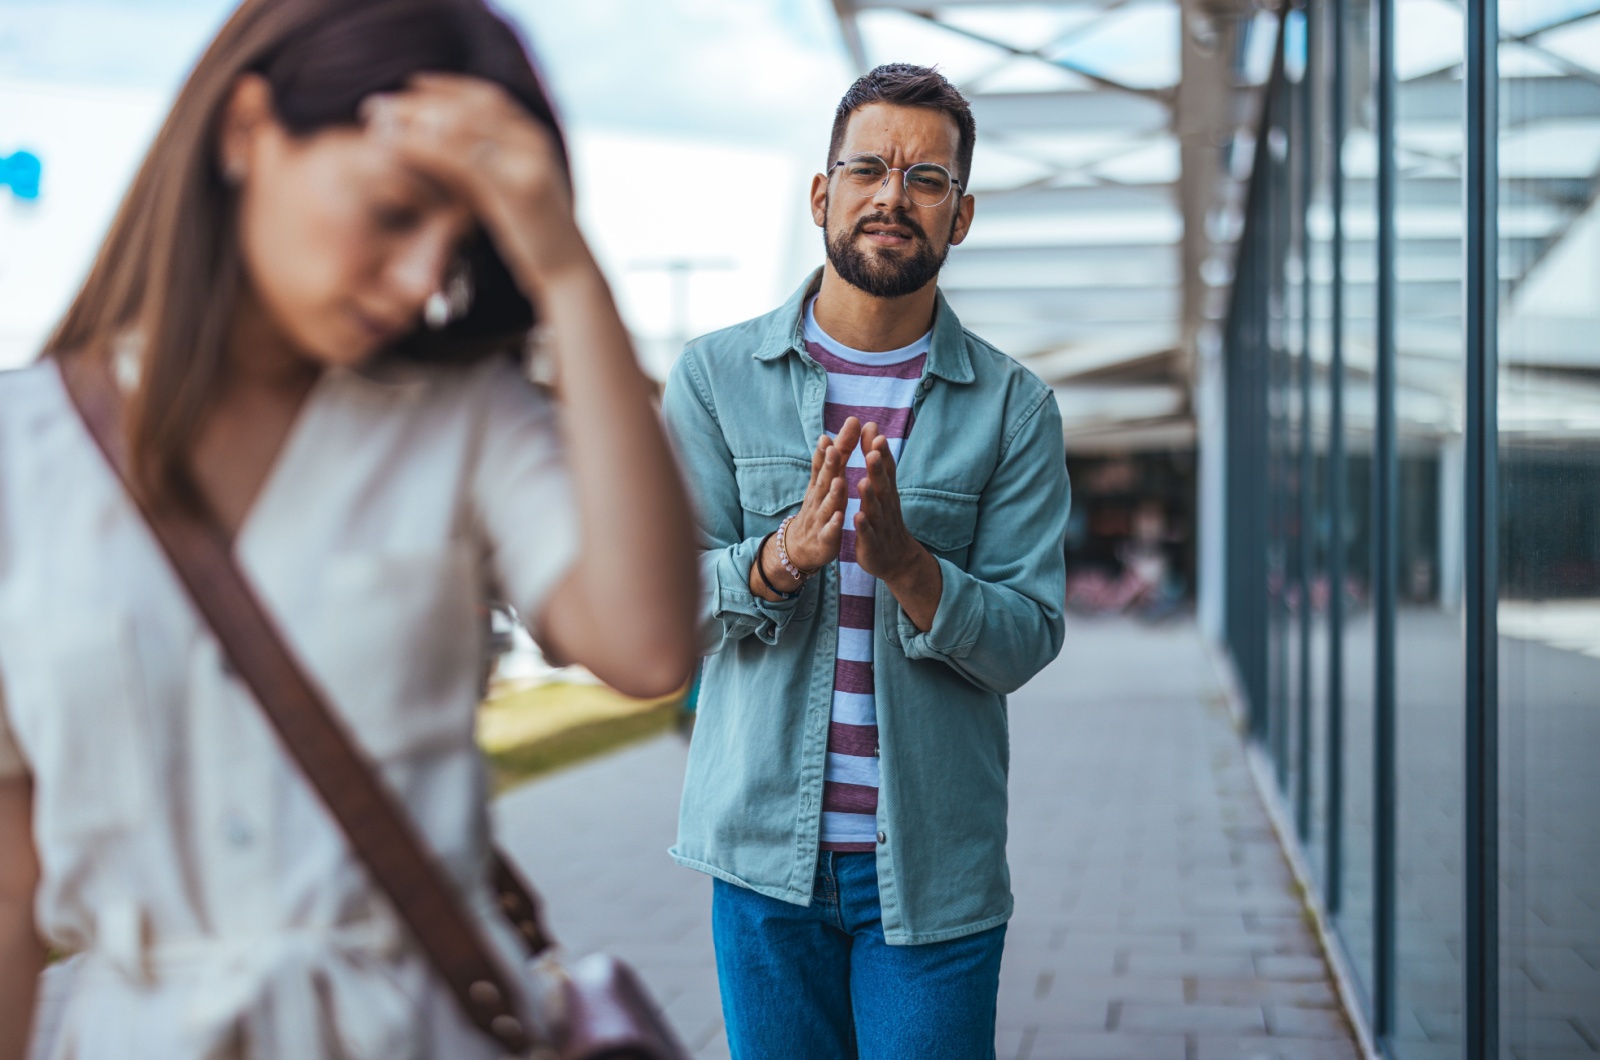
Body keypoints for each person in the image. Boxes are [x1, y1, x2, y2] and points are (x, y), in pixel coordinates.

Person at [0, 1, 698, 1057]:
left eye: (460, 246)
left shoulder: (464, 419)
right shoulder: (22, 454)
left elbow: (645, 642)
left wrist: (562, 266)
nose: (423, 281)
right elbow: (8, 891)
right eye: (395, 210)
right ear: (246, 131)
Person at [663, 64, 1071, 1059]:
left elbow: (1028, 637)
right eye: (868, 169)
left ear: (959, 216)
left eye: (926, 179)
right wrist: (775, 560)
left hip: (932, 873)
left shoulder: (1014, 407)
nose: (893, 195)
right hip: (764, 864)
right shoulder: (714, 378)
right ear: (822, 194)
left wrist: (910, 569)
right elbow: (664, 607)